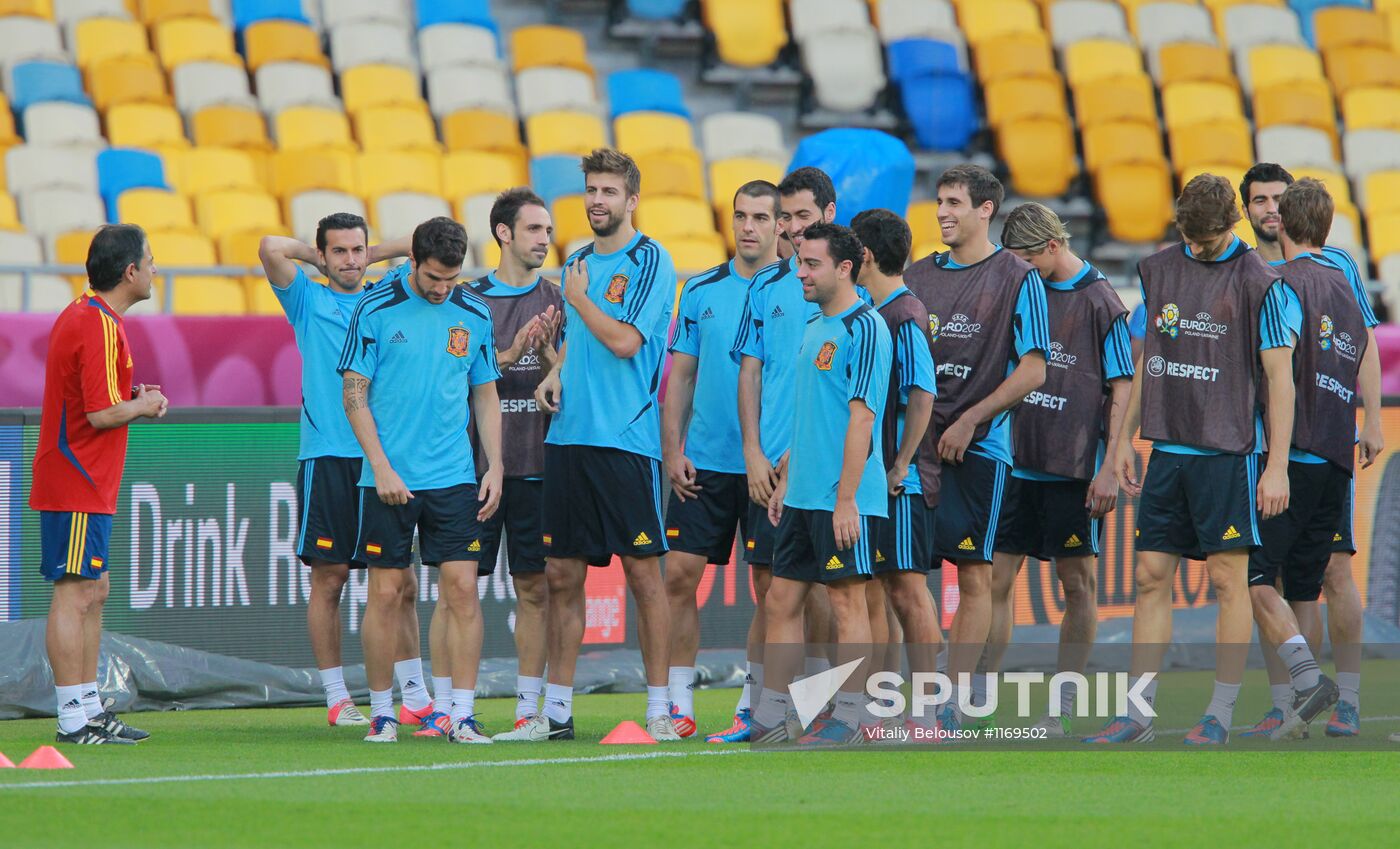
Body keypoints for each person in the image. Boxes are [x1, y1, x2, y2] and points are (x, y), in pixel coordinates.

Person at [1084, 174, 1296, 745]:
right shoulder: (1158, 270)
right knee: (1151, 577)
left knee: (1231, 584)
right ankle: (1137, 713)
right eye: (1190, 237)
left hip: (1228, 454)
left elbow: (1281, 381)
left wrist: (1276, 466)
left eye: (1207, 239)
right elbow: (1148, 354)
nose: (1197, 247)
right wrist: (1125, 438)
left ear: (1232, 225)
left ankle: (1219, 713)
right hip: (1167, 450)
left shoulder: (1262, 283)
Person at [508, 148, 678, 742]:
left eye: (609, 191)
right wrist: (556, 375)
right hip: (569, 439)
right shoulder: (577, 259)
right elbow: (582, 345)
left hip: (625, 440)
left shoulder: (652, 259)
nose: (597, 201)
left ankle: (659, 707)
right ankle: (555, 713)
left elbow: (628, 343)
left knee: (644, 576)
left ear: (632, 200)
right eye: (591, 191)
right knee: (560, 575)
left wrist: (578, 299)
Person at [337, 217, 504, 744]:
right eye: (433, 278)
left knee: (462, 593)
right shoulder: (374, 307)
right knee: (386, 593)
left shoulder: (474, 312)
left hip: (454, 476)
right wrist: (381, 466)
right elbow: (354, 394)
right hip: (388, 478)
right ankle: (384, 712)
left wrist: (494, 464)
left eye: (450, 280)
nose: (441, 289)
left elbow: (485, 392)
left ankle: (462, 713)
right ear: (413, 262)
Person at [260, 218, 428, 729]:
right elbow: (270, 248)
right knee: (329, 579)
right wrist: (317, 259)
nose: (350, 259)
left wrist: (373, 251)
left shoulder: (387, 295)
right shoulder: (308, 301)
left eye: (356, 250)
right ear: (322, 255)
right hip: (328, 456)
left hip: (385, 454)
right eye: (340, 252)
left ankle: (416, 694)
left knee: (400, 582)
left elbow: (425, 241)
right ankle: (337, 697)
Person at [902, 165, 1049, 735]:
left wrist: (970, 419)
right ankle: (910, 689)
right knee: (903, 575)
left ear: (986, 210)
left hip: (979, 450)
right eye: (939, 201)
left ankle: (951, 701)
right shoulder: (917, 275)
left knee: (973, 574)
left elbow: (1035, 368)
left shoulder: (1016, 275)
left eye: (955, 202)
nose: (942, 212)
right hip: (914, 450)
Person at [1236, 164, 1382, 738]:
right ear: (1247, 210)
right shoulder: (1248, 267)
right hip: (1274, 444)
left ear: (1291, 209)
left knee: (1332, 572)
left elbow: (1363, 341)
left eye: (1278, 199)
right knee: (1287, 580)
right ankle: (1289, 702)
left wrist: (1372, 415)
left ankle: (1345, 697)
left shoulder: (1331, 265)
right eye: (1259, 200)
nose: (1270, 208)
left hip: (1306, 444)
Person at [981, 202, 1133, 737]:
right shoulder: (1022, 289)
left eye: (1023, 259)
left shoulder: (1101, 302)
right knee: (994, 579)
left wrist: (1110, 465)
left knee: (1077, 584)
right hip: (1014, 460)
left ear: (1051, 246)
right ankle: (977, 696)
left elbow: (1123, 387)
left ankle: (1062, 703)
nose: (1016, 269)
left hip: (1073, 468)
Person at [752, 223, 893, 745]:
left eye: (811, 264)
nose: (801, 272)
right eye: (799, 262)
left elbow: (861, 420)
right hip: (803, 495)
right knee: (780, 600)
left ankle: (852, 715)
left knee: (845, 605)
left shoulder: (866, 327)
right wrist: (787, 477)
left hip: (845, 497)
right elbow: (811, 415)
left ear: (844, 269)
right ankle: (773, 714)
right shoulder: (814, 324)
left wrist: (847, 499)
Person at [33, 224, 167, 744]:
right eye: (151, 261)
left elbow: (97, 397)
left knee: (94, 588)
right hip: (77, 476)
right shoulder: (98, 323)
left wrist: (132, 394)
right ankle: (72, 717)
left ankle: (89, 707)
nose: (156, 269)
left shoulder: (93, 317)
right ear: (130, 271)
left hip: (85, 479)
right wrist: (144, 404)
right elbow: (100, 414)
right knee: (74, 594)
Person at [437, 188, 565, 734]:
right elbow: (447, 383)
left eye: (549, 231)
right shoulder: (465, 300)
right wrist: (508, 355)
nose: (544, 240)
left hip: (537, 464)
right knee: (456, 588)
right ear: (504, 233)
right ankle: (443, 709)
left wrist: (554, 361)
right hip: (475, 470)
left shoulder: (560, 299)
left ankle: (525, 709)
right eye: (534, 230)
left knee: (535, 589)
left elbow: (571, 387)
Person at [660, 180, 782, 741]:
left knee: (769, 588)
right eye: (740, 216)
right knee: (680, 576)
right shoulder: (703, 288)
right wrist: (671, 451)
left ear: (781, 224)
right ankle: (677, 705)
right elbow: (679, 375)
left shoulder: (799, 289)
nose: (749, 226)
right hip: (704, 462)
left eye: (761, 216)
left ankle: (750, 705)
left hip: (771, 469)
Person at [732, 167, 841, 705]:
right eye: (788, 217)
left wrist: (797, 458)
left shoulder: (843, 287)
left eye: (803, 216)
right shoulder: (765, 286)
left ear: (828, 214)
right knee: (770, 589)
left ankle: (822, 701)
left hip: (817, 465)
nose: (793, 228)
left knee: (825, 590)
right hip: (766, 461)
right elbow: (750, 371)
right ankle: (766, 705)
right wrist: (753, 452)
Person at [849, 208, 942, 736]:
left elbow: (922, 393)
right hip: (880, 479)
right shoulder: (878, 311)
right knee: (881, 589)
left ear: (864, 255)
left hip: (900, 481)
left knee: (907, 588)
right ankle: (884, 707)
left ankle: (928, 708)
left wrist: (901, 463)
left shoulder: (904, 315)